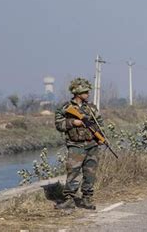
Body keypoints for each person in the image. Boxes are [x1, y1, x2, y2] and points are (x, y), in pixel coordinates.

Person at [55, 78, 102, 210]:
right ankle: (69, 200)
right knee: (73, 173)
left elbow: (99, 124)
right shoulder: (65, 108)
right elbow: (59, 125)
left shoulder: (91, 108)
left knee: (90, 174)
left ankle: (87, 199)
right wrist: (72, 123)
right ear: (77, 93)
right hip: (76, 146)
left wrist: (100, 137)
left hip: (92, 145)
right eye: (85, 92)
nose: (88, 94)